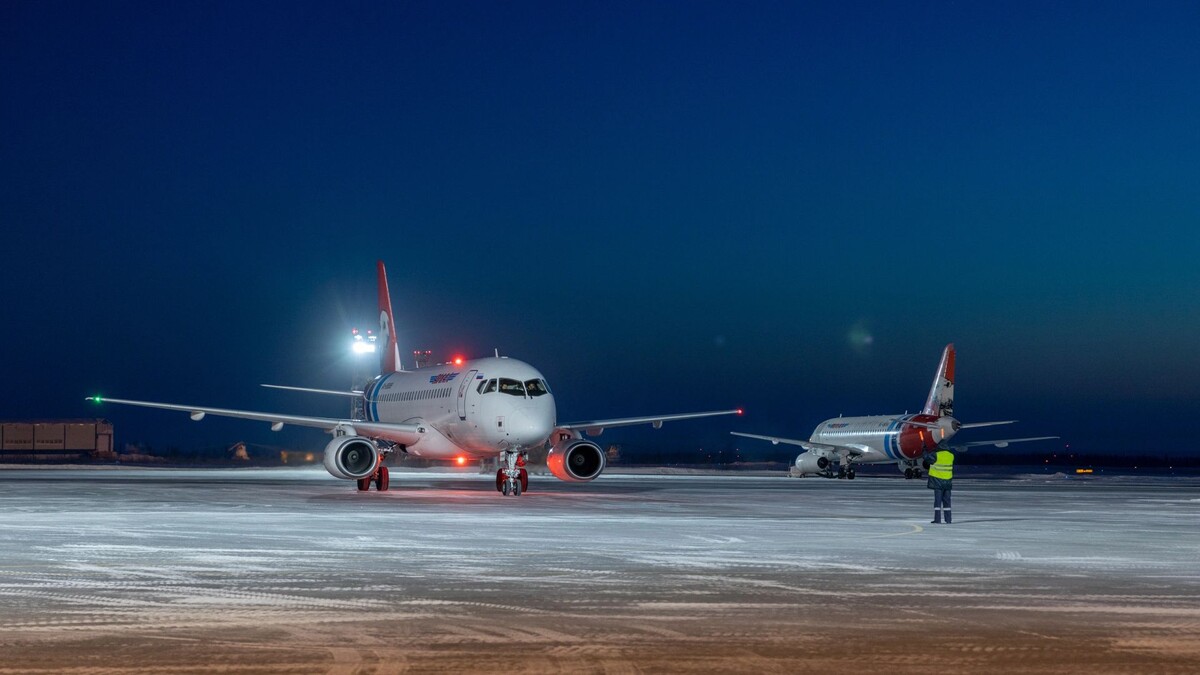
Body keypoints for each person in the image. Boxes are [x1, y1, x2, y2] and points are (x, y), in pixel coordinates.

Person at [926, 448, 955, 524]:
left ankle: (937, 519)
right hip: (948, 483)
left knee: (937, 503)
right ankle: (948, 520)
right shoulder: (951, 455)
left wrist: (925, 450)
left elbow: (927, 459)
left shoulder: (936, 455)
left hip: (938, 483)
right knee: (947, 503)